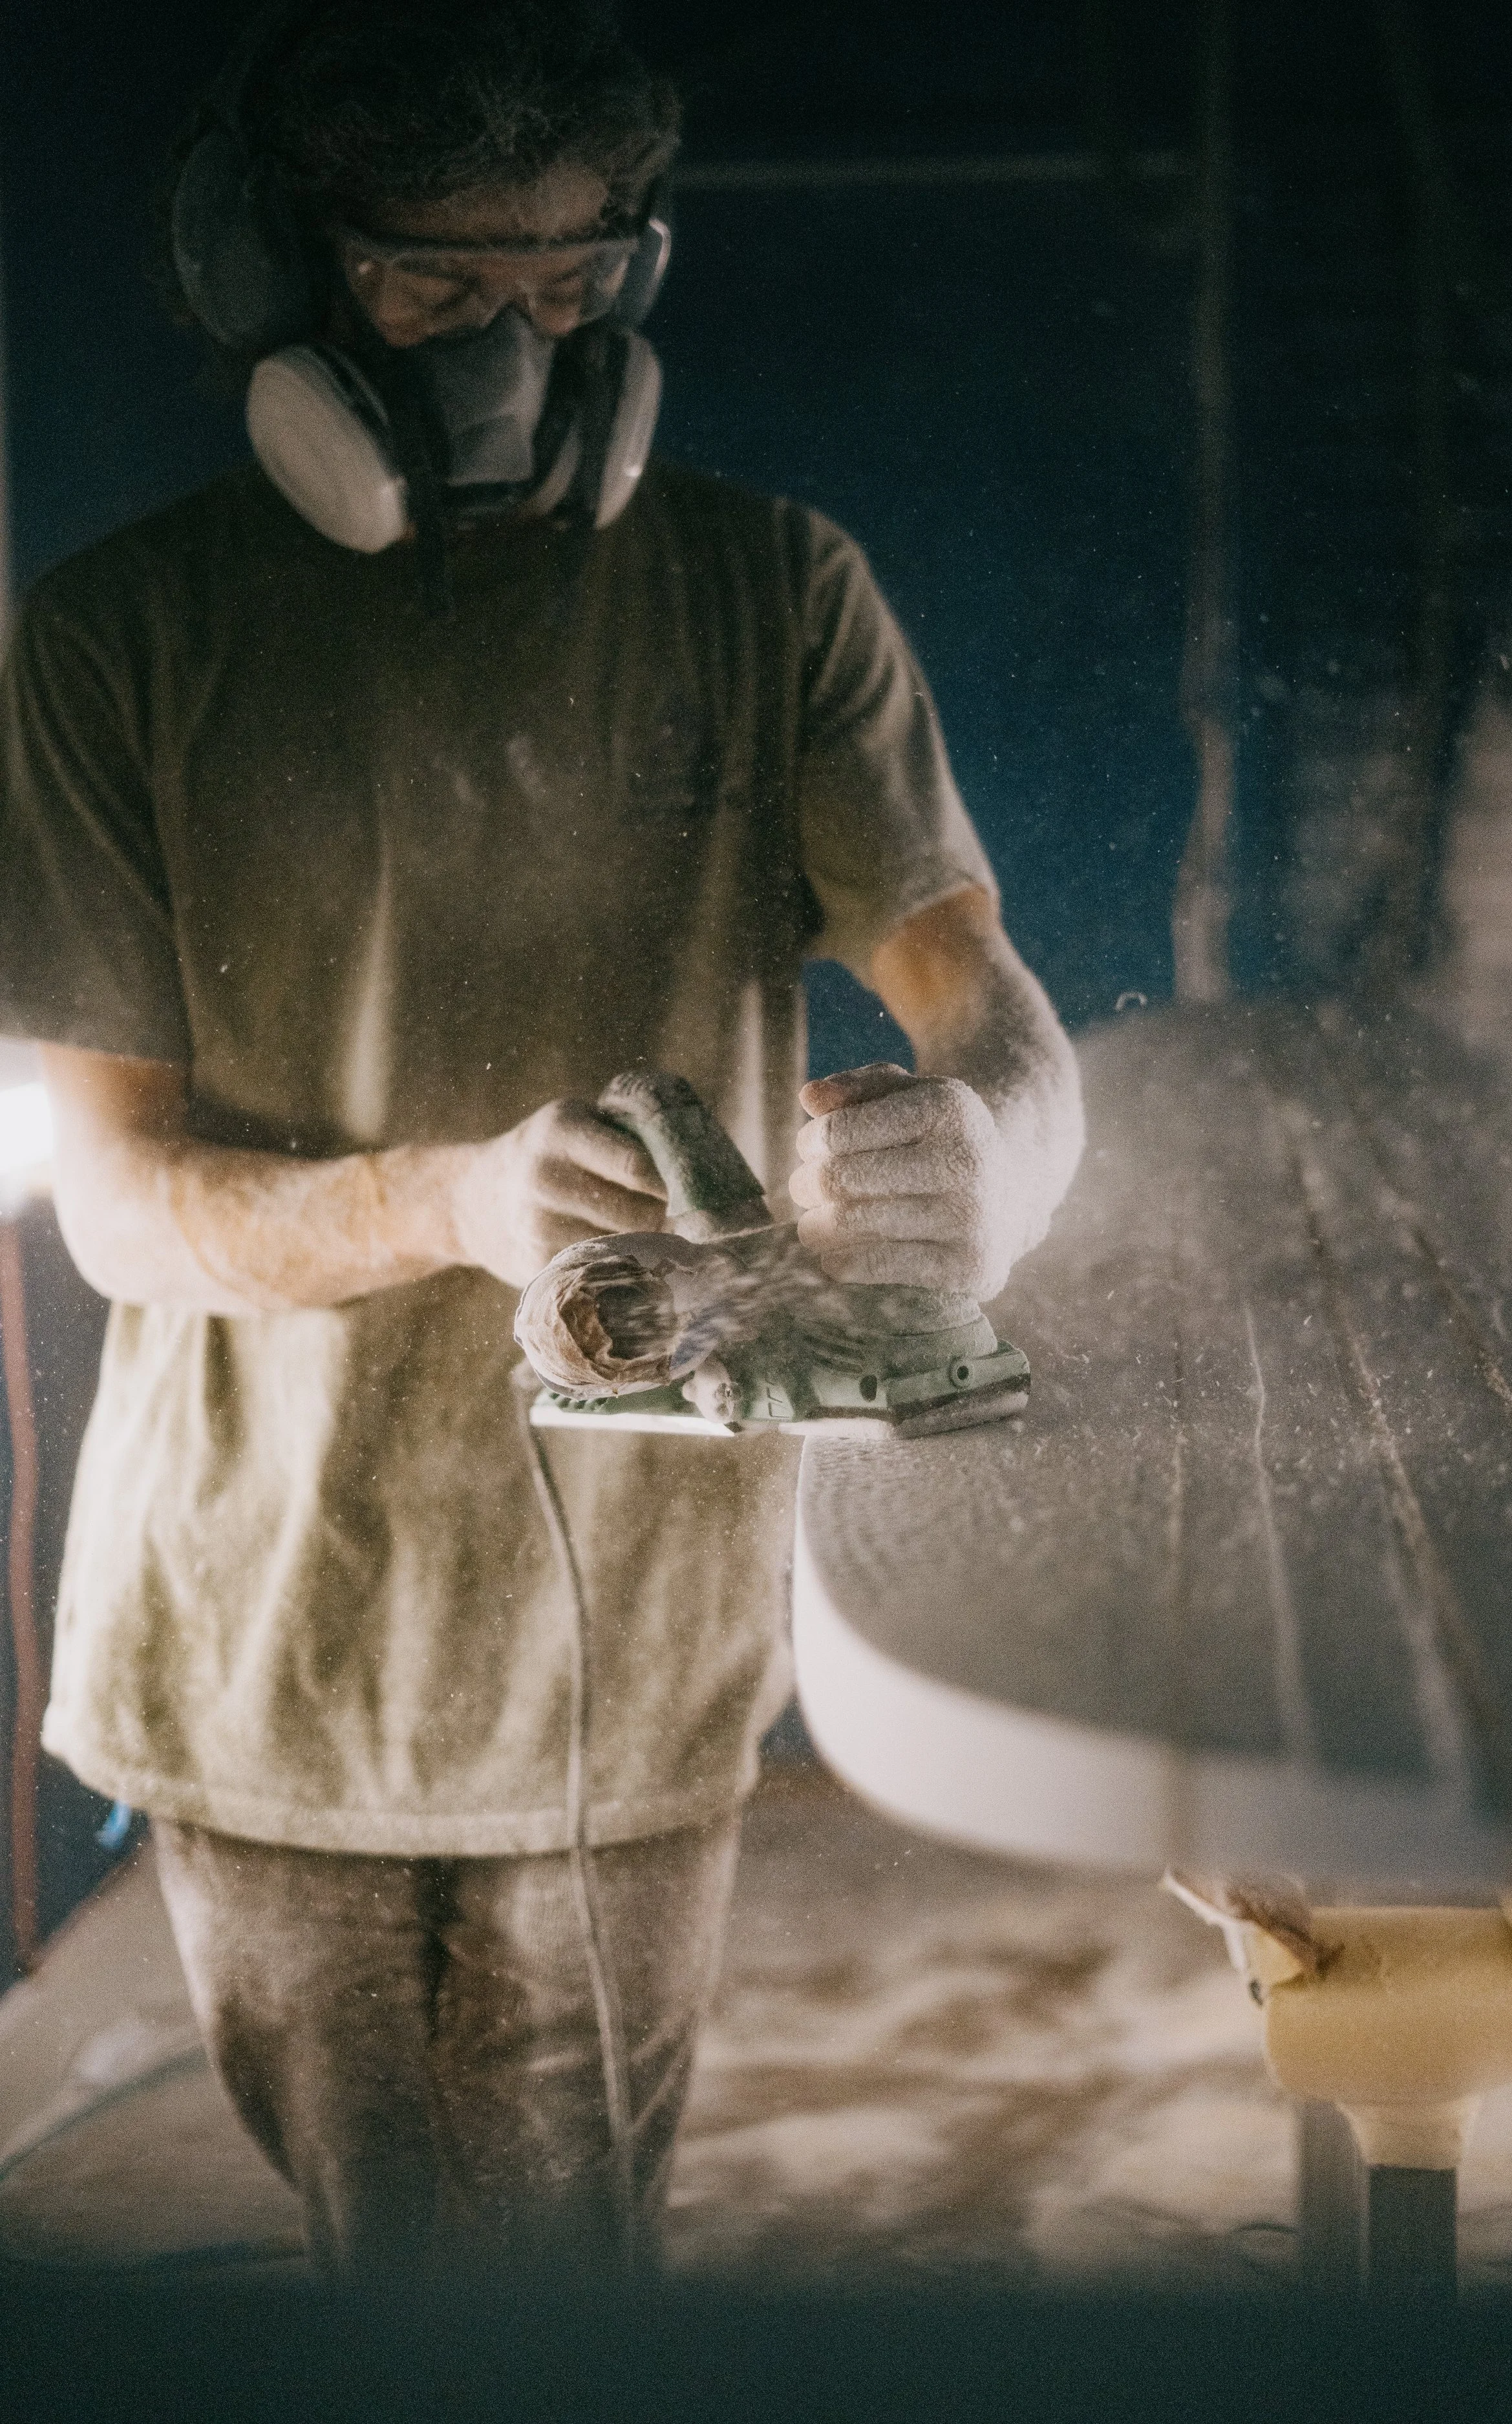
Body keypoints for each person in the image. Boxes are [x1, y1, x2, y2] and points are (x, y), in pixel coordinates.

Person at [0, 0, 1082, 2273]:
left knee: (562, 2261)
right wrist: (458, 1199)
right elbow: (115, 1203)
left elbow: (989, 1015)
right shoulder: (113, 650)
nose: (511, 351)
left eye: (569, 289)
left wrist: (993, 1159)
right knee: (386, 2244)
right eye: (431, 288)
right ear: (275, 276)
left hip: (633, 1647)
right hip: (261, 1630)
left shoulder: (772, 597)